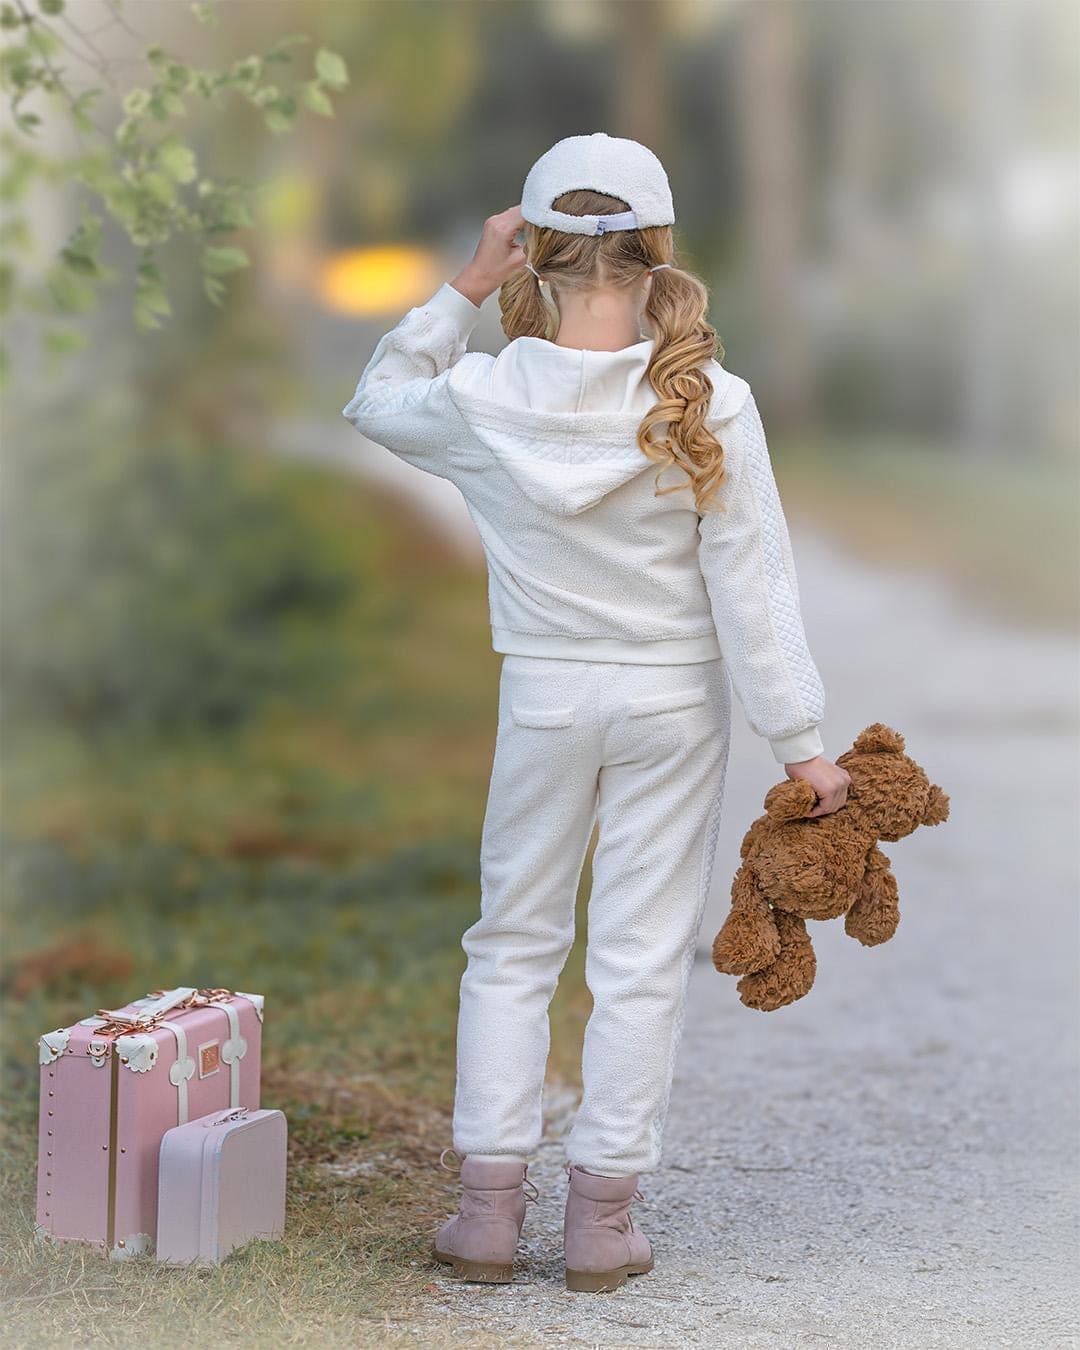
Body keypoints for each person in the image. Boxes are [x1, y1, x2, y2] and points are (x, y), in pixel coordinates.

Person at [342, 132, 851, 1294]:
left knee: (512, 943)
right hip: (673, 702)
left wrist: (464, 288)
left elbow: (373, 403)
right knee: (636, 957)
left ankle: (483, 1214)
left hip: (546, 697)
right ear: (658, 252)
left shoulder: (479, 394)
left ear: (534, 251)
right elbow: (754, 587)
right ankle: (602, 1221)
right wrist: (802, 746)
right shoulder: (710, 402)